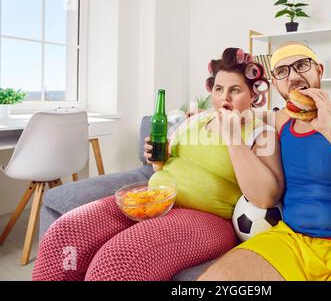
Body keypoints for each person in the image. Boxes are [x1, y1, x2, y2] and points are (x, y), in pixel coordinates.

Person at [32, 47, 284, 281]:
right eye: (218, 89)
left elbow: (265, 197)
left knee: (117, 263)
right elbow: (161, 167)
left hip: (205, 217)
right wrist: (157, 158)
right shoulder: (195, 121)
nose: (224, 98)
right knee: (64, 234)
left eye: (235, 90)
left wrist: (231, 137)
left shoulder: (260, 133)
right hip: (151, 199)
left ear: (253, 94)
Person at [198, 42, 331, 281]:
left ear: (319, 71)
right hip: (291, 243)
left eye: (302, 65)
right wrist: (179, 131)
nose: (293, 76)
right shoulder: (280, 121)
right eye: (282, 71)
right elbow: (234, 113)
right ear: (275, 83)